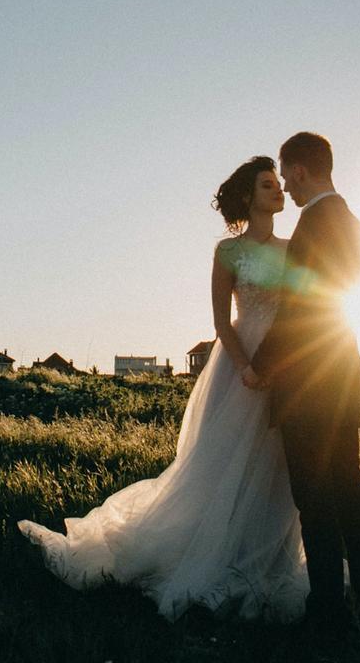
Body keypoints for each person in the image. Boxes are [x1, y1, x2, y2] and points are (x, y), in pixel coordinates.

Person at [18, 156, 308, 621]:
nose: (278, 190)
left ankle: (264, 559)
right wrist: (244, 368)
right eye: (268, 184)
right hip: (240, 369)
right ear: (248, 196)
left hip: (286, 362)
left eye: (279, 183)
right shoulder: (227, 252)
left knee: (277, 467)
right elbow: (220, 321)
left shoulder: (295, 248)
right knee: (222, 468)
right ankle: (211, 556)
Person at [251, 132, 360, 630]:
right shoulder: (353, 222)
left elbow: (298, 309)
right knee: (349, 489)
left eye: (286, 175)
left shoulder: (311, 223)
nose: (287, 185)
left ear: (301, 170)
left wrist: (261, 364)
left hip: (310, 382)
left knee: (313, 499)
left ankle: (326, 609)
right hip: (343, 373)